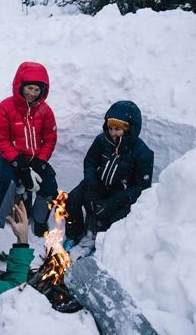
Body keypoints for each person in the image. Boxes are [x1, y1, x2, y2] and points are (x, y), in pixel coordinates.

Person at [64, 100, 154, 250]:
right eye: (110, 128)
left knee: (111, 220)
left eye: (118, 129)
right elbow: (90, 161)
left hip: (121, 194)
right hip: (99, 183)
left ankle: (101, 247)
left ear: (130, 129)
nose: (113, 133)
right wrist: (91, 183)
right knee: (73, 199)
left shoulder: (143, 153)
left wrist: (113, 203)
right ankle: (74, 234)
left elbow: (141, 187)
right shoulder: (102, 140)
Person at [0, 61, 58, 237]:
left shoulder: (45, 111)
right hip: (9, 157)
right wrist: (20, 164)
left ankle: (40, 219)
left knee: (49, 184)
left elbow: (50, 138)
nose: (32, 94)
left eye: (37, 90)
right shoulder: (4, 108)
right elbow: (1, 140)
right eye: (29, 88)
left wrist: (39, 162)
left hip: (35, 158)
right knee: (8, 184)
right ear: (20, 86)